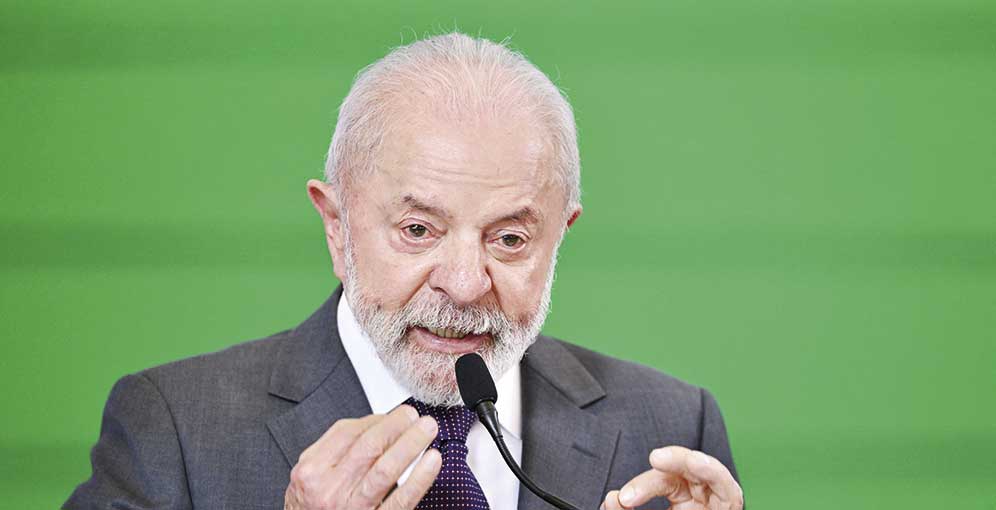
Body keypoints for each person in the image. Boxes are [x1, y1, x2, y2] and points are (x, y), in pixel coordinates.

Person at [65, 32, 743, 510]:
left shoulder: (671, 428)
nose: (465, 284)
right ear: (337, 227)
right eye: (418, 230)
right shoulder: (175, 432)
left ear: (559, 237)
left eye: (509, 238)